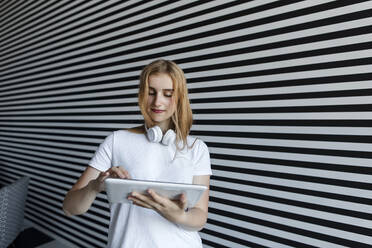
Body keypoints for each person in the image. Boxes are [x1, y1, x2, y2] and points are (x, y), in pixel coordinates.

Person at [63, 59, 212, 248]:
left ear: (180, 97)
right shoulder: (117, 141)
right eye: (151, 92)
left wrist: (179, 215)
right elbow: (69, 208)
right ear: (142, 95)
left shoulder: (197, 148)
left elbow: (200, 216)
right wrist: (94, 187)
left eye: (168, 94)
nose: (158, 101)